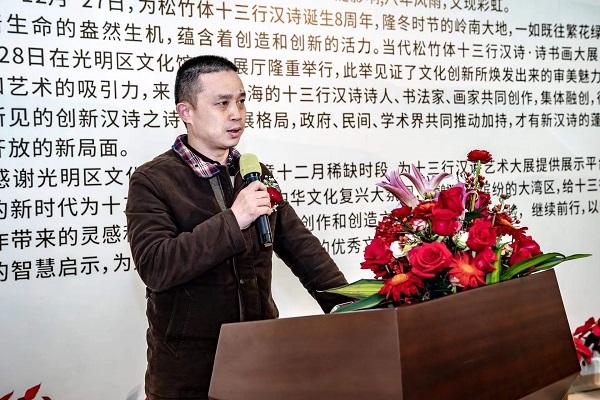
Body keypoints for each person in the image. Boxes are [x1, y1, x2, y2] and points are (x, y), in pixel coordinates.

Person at [125, 55, 349, 400]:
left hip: (261, 357)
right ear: (186, 112)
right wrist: (234, 219)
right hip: (191, 372)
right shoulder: (153, 180)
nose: (237, 114)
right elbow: (156, 266)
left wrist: (350, 306)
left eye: (241, 101)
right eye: (222, 103)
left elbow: (303, 248)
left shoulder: (253, 172)